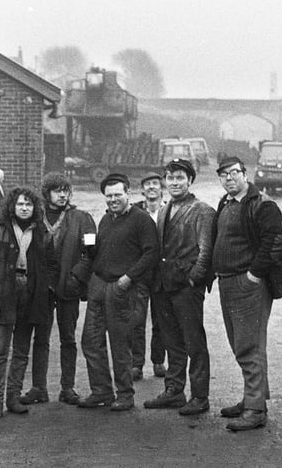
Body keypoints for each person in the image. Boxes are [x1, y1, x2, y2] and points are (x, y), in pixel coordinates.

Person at [211, 156, 282, 431]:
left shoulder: (262, 204)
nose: (229, 178)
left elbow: (275, 240)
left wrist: (254, 275)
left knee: (250, 345)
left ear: (246, 174)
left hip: (248, 284)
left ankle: (256, 410)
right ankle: (252, 398)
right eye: (224, 175)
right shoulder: (226, 203)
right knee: (239, 343)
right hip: (227, 281)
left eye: (234, 173)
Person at [78, 173, 159, 411]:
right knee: (91, 342)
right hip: (99, 286)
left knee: (120, 344)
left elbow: (151, 253)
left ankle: (124, 394)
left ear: (128, 194)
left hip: (121, 288)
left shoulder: (141, 220)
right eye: (109, 195)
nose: (113, 199)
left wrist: (128, 278)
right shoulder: (106, 220)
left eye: (118, 194)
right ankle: (101, 391)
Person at [0, 187, 57, 419]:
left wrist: (46, 290)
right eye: (20, 204)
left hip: (31, 296)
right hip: (3, 294)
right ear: (12, 206)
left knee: (22, 351)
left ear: (35, 208)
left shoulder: (42, 232)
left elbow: (52, 265)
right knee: (0, 352)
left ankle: (13, 397)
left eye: (28, 205)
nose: (24, 208)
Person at [144, 159, 214, 416]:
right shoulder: (164, 210)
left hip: (186, 287)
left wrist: (194, 279)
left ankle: (199, 396)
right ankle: (174, 390)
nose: (174, 183)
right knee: (171, 340)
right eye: (170, 178)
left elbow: (206, 251)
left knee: (194, 341)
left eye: (180, 178)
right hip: (164, 285)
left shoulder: (202, 211)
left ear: (190, 181)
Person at [25, 172, 97, 406]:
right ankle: (39, 388)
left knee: (68, 338)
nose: (63, 195)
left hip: (68, 286)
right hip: (42, 288)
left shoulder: (82, 218)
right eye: (57, 191)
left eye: (66, 190)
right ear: (47, 194)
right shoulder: (34, 218)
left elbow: (90, 254)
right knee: (41, 338)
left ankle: (68, 388)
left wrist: (77, 277)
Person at [132, 172, 168, 380]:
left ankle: (158, 361)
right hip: (141, 273)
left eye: (155, 183)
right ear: (142, 189)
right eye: (148, 184)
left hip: (162, 274)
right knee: (137, 318)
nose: (152, 187)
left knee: (160, 319)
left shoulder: (169, 210)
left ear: (161, 188)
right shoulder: (136, 211)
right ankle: (137, 363)